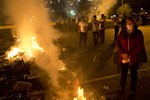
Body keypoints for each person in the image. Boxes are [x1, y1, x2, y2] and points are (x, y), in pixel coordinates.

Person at [116, 16, 146, 95]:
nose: (129, 25)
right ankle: (122, 86)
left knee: (133, 74)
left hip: (134, 58)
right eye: (128, 23)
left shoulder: (138, 33)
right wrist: (123, 53)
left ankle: (132, 89)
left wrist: (128, 54)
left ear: (134, 24)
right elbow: (118, 44)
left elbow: (139, 46)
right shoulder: (122, 32)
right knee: (123, 74)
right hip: (123, 58)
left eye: (131, 23)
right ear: (125, 24)